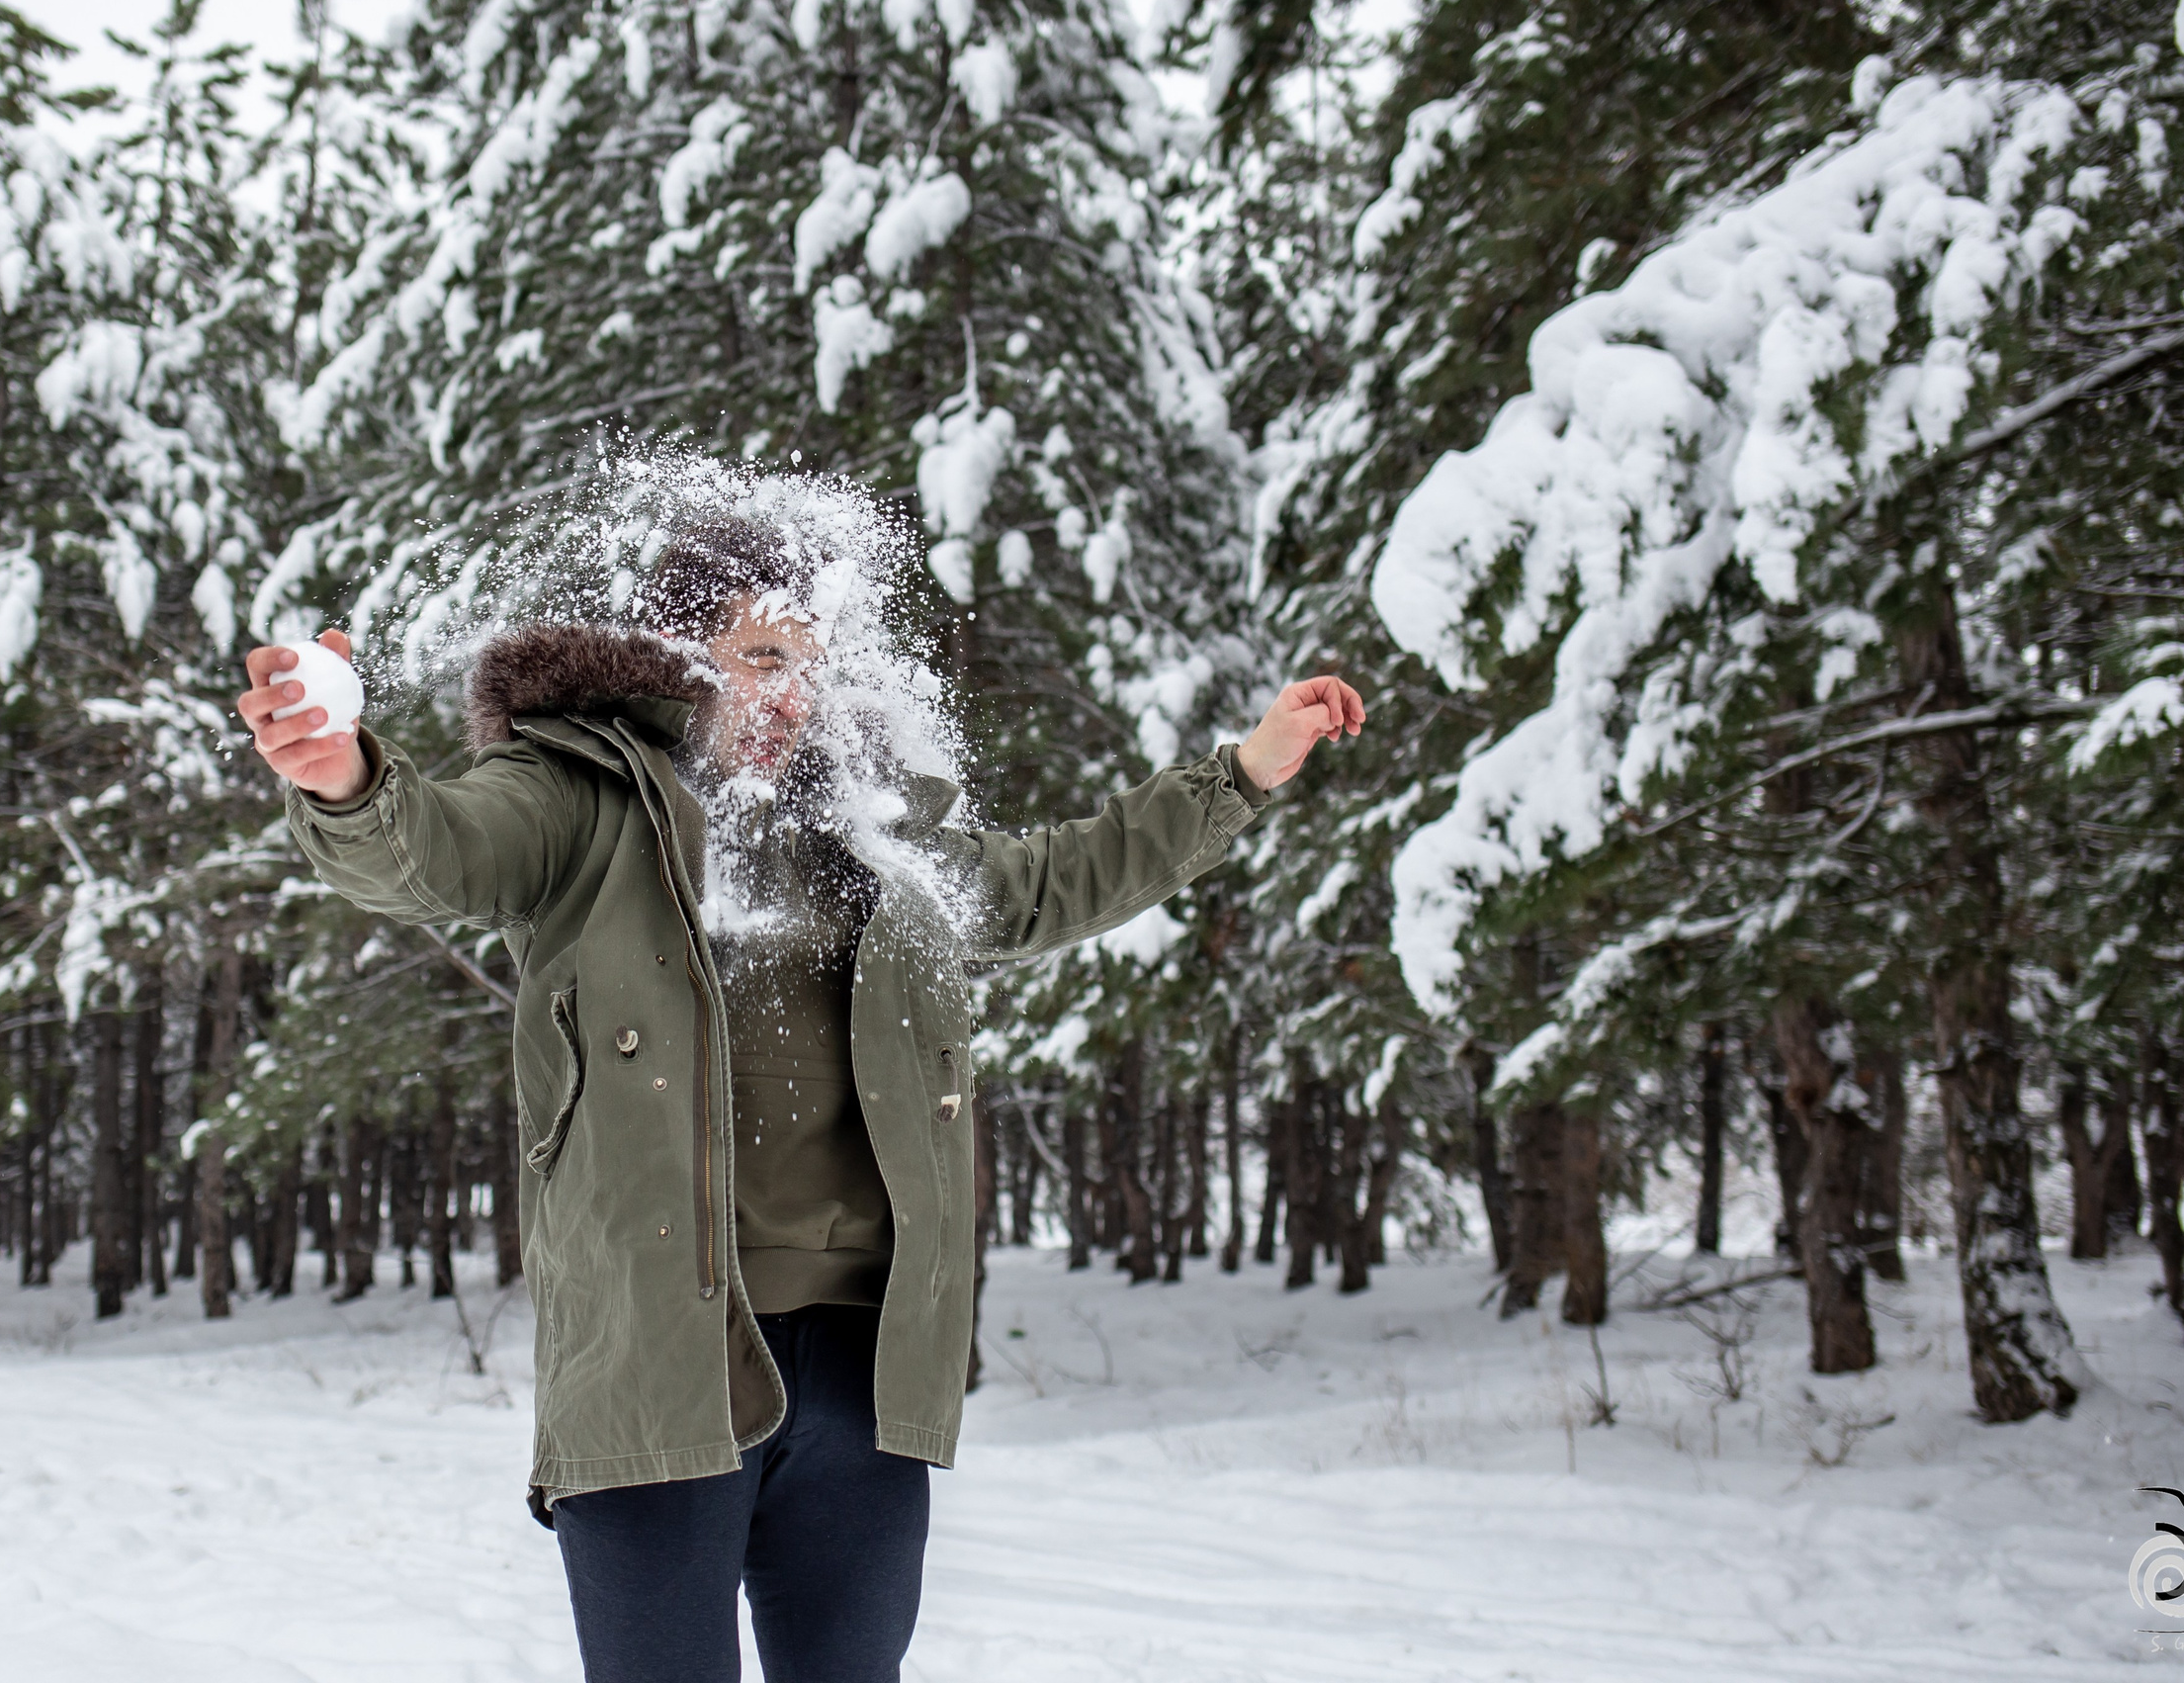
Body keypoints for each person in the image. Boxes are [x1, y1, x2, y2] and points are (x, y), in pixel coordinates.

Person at [236, 516, 1365, 1683]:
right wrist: (346, 779)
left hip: (863, 1377)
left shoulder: (870, 834)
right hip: (660, 1366)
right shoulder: (577, 793)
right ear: (675, 652)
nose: (794, 692)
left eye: (812, 663)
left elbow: (1046, 881)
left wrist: (1241, 774)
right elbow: (437, 846)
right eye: (764, 657)